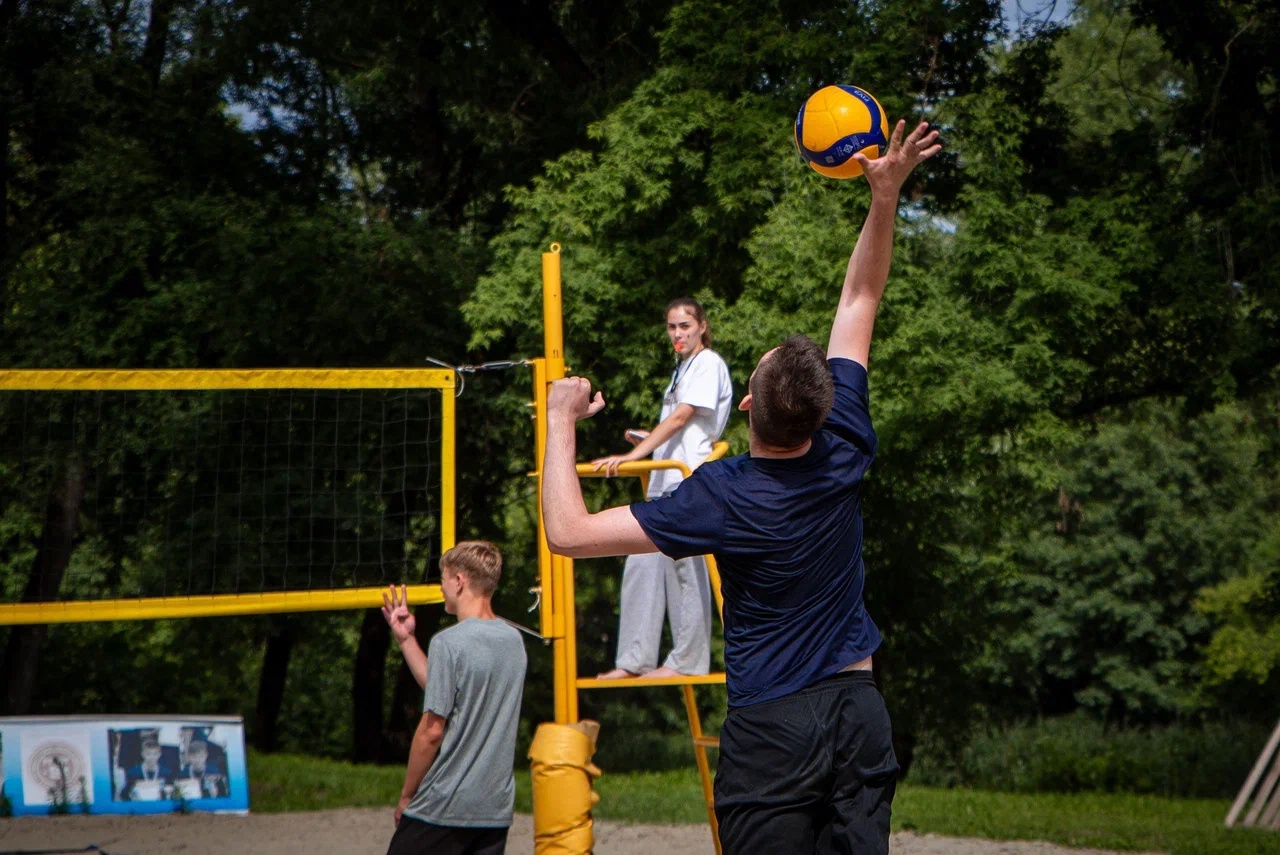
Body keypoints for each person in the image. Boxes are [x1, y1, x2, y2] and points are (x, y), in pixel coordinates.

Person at [540, 119, 941, 853]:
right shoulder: (845, 439)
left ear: (749, 405)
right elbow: (860, 299)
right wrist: (884, 196)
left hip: (772, 729)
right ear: (822, 409)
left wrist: (559, 418)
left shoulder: (723, 493)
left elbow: (566, 533)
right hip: (858, 710)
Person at [590, 298, 733, 679]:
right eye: (672, 327)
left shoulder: (708, 364)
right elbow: (678, 426)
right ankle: (633, 660)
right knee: (641, 564)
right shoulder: (682, 369)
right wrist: (644, 440)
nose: (678, 334)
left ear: (702, 326)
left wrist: (633, 452)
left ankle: (688, 661)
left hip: (689, 479)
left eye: (685, 325)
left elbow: (683, 417)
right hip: (663, 479)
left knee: (685, 570)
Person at [385, 541, 527, 855]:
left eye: (443, 579)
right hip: (494, 810)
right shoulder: (514, 642)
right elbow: (445, 689)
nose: (442, 588)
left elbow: (432, 732)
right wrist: (406, 639)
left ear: (459, 581)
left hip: (445, 804)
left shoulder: (448, 642)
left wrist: (408, 795)